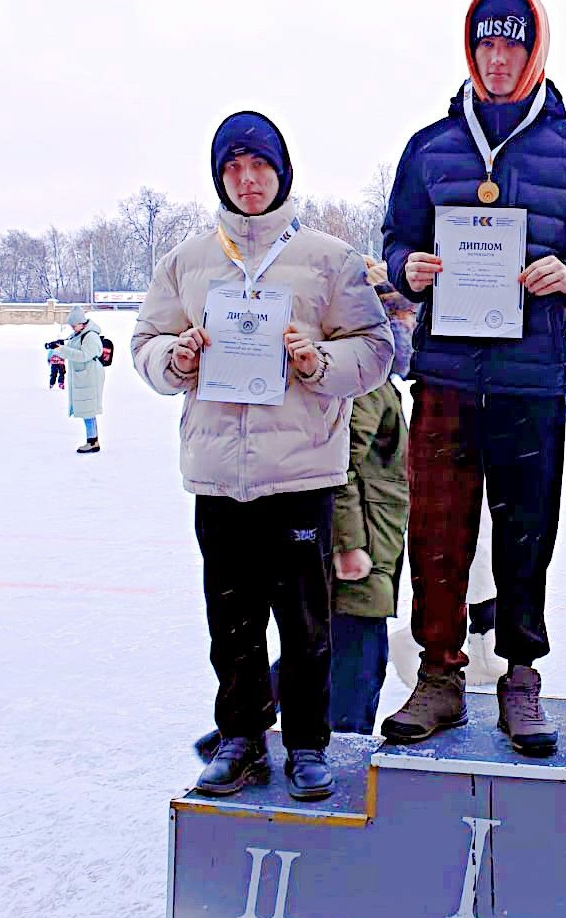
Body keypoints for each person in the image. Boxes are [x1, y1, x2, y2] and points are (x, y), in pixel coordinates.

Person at [380, 0, 566, 755]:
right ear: (470, 49)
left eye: (511, 45)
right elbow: (395, 239)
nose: (496, 58)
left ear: (535, 52)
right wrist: (408, 267)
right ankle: (441, 676)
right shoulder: (429, 147)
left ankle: (521, 676)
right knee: (438, 533)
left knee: (526, 535)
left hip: (530, 377)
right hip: (447, 376)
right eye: (485, 44)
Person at [132, 112, 392, 801]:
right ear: (219, 176)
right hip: (217, 473)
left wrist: (317, 360)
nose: (247, 181)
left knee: (306, 623)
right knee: (231, 620)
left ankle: (307, 743)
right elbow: (145, 344)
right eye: (233, 169)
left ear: (283, 173)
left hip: (299, 471)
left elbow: (374, 350)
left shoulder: (329, 259)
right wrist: (175, 357)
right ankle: (242, 737)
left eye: (260, 167)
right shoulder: (187, 262)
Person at [328, 263, 414, 734]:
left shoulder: (380, 382)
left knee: (343, 652)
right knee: (360, 666)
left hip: (375, 541)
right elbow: (339, 466)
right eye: (400, 315)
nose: (409, 326)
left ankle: (233, 729)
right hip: (363, 548)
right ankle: (345, 762)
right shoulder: (366, 383)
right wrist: (350, 544)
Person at [64, 306, 104, 450]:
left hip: (89, 376)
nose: (73, 328)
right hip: (85, 376)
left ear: (82, 322)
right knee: (87, 410)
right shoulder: (80, 334)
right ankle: (92, 441)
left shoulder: (90, 336)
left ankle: (93, 443)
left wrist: (61, 350)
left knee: (89, 410)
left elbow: (83, 355)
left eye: (74, 325)